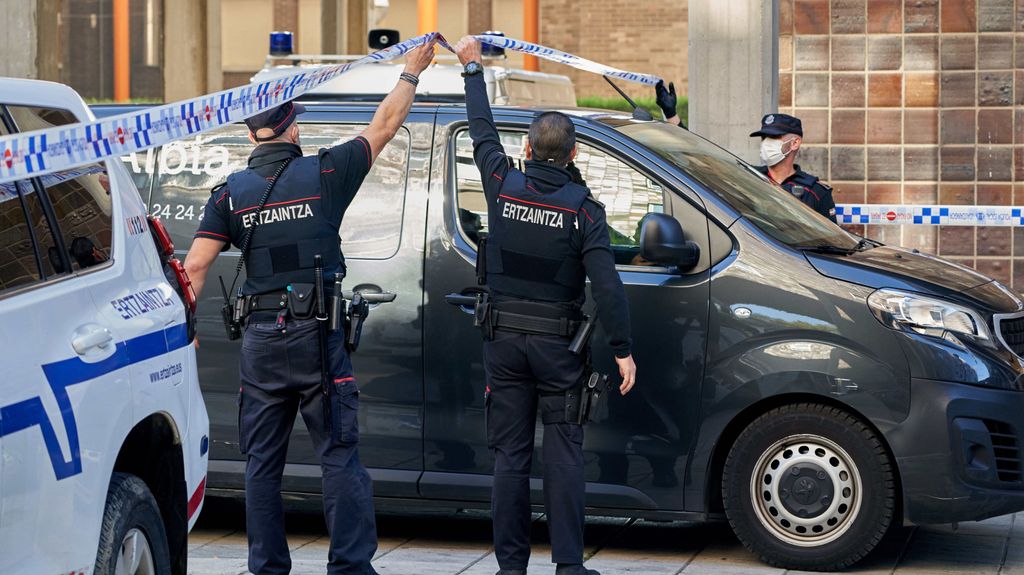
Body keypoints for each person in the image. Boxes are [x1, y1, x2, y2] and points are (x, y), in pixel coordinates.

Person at [182, 38, 436, 575]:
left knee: (262, 465)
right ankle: (349, 567)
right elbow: (384, 126)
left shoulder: (230, 193)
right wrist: (410, 72)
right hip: (317, 338)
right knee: (339, 456)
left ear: (252, 134)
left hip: (260, 344)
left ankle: (267, 568)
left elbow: (197, 266)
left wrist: (184, 326)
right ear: (293, 128)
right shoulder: (325, 172)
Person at [453, 36, 638, 575]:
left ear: (528, 151)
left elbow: (483, 130)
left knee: (509, 458)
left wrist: (472, 69)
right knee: (563, 457)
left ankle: (511, 568)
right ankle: (568, 567)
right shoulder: (585, 211)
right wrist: (623, 350)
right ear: (575, 154)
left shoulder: (501, 183)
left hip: (504, 346)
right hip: (560, 350)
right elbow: (607, 287)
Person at [749, 113, 837, 222]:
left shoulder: (816, 191)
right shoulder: (749, 177)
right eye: (764, 137)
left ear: (795, 143)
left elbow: (830, 237)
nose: (766, 143)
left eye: (773, 137)